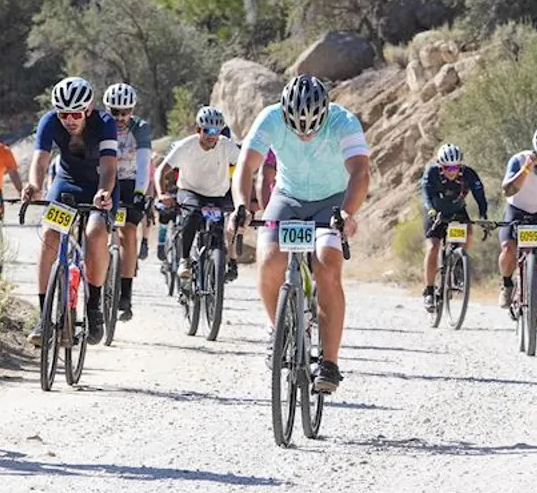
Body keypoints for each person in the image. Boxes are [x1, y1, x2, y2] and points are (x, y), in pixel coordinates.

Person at [234, 75, 369, 395]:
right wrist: (241, 206)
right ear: (285, 113)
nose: (305, 133)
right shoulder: (270, 117)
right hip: (288, 198)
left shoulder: (343, 121)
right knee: (269, 259)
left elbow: (360, 172)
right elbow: (246, 165)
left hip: (332, 202)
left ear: (325, 113)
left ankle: (330, 363)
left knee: (327, 263)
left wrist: (347, 213)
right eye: (297, 126)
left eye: (312, 126)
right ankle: (277, 329)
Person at [24, 76, 118, 345]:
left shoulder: (105, 123)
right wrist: (34, 185)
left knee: (95, 231)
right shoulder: (49, 122)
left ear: (88, 109)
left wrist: (104, 193)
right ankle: (44, 318)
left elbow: (110, 166)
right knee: (50, 234)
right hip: (67, 182)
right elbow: (40, 160)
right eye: (64, 114)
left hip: (101, 183)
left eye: (76, 113)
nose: (70, 120)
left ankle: (94, 306)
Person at [158, 106, 243, 288]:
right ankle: (185, 259)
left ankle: (217, 266)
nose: (212, 136)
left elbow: (244, 168)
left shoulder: (226, 145)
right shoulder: (186, 146)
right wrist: (162, 193)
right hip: (190, 191)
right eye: (208, 131)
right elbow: (161, 171)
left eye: (216, 132)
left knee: (219, 232)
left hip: (217, 195)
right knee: (193, 214)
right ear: (198, 130)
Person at [498, 126, 537, 319]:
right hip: (516, 210)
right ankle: (507, 284)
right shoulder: (519, 160)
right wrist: (526, 168)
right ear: (535, 153)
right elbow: (507, 190)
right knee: (508, 249)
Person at [420, 142, 488, 313]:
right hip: (435, 212)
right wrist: (431, 210)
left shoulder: (468, 174)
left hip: (457, 211)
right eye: (448, 167)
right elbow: (426, 194)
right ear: (441, 166)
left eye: (456, 167)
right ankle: (429, 291)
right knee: (433, 247)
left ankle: (458, 264)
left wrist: (483, 214)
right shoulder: (432, 172)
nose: (452, 171)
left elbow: (480, 195)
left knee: (468, 233)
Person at [104, 82, 151, 323]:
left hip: (130, 182)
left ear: (132, 110)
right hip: (105, 180)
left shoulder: (140, 128)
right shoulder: (101, 124)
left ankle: (126, 295)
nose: (120, 117)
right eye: (115, 112)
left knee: (128, 232)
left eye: (126, 112)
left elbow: (144, 164)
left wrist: (141, 192)